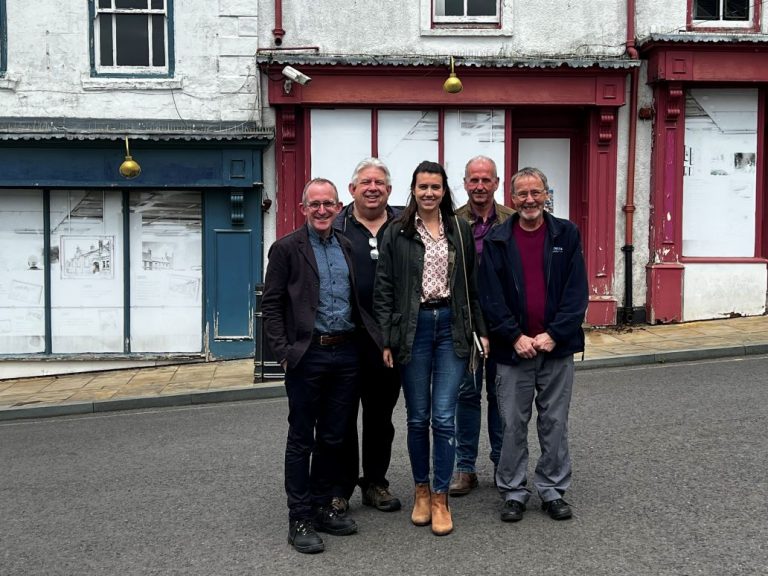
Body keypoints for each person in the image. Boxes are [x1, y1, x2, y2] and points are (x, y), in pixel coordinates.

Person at [262, 178, 381, 554]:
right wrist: (284, 351)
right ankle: (299, 517)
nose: (322, 210)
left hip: (344, 353)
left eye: (329, 203)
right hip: (307, 354)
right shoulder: (285, 249)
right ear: (303, 208)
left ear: (338, 206)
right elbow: (273, 304)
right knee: (302, 438)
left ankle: (322, 505)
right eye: (315, 204)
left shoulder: (345, 246)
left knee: (334, 437)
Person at [374, 160, 488, 536]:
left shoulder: (459, 228)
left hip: (452, 327)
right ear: (413, 189)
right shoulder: (396, 231)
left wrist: (481, 331)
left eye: (435, 187)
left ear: (444, 190)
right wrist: (388, 338)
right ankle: (421, 490)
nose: (428, 193)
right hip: (414, 329)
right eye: (422, 187)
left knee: (443, 417)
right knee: (418, 417)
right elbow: (385, 287)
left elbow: (472, 284)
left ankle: (441, 497)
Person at [478, 167, 588, 523]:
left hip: (556, 347)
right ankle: (512, 491)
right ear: (512, 198)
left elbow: (576, 292)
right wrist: (514, 336)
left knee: (554, 422)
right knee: (511, 423)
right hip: (514, 350)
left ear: (546, 195)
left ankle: (553, 490)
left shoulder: (566, 234)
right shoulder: (498, 239)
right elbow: (489, 297)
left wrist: (554, 333)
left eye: (536, 193)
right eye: (522, 194)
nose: (529, 200)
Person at [333, 158, 402, 513]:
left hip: (388, 343)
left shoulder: (405, 225)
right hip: (346, 339)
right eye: (365, 182)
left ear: (389, 191)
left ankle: (376, 482)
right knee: (342, 417)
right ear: (352, 190)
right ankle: (340, 488)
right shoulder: (336, 225)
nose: (372, 187)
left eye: (379, 182)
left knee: (380, 419)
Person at [450, 155, 515, 497]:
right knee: (467, 395)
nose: (479, 186)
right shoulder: (452, 221)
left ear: (496, 183)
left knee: (502, 397)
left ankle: (504, 465)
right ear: (465, 183)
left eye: (485, 180)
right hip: (467, 324)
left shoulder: (513, 220)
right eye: (473, 180)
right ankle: (465, 468)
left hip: (505, 323)